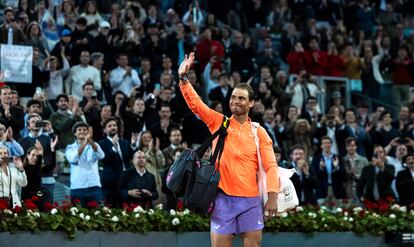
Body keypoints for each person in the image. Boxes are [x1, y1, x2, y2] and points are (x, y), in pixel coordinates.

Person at [178, 53, 279, 247]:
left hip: (251, 201)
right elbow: (197, 106)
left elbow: (271, 166)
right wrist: (183, 79)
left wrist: (273, 196)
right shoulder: (219, 122)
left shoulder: (259, 132)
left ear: (251, 103)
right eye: (233, 97)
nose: (235, 101)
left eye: (241, 98)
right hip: (222, 199)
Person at [98, 117, 137, 207]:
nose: (113, 127)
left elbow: (133, 157)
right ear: (104, 130)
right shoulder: (101, 144)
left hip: (126, 181)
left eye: (114, 125)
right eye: (110, 126)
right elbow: (105, 160)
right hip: (111, 182)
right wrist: (114, 147)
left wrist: (134, 145)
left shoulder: (125, 143)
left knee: (127, 208)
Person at [65, 122, 105, 207]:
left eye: (84, 130)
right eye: (79, 130)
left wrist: (91, 142)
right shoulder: (70, 147)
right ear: (75, 133)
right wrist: (85, 143)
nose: (82, 131)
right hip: (78, 188)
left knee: (98, 215)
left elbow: (101, 155)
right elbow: (73, 159)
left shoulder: (94, 145)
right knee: (78, 217)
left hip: (94, 186)